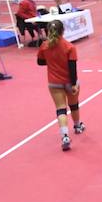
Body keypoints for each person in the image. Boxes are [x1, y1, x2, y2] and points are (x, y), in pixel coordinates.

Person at [37, 20, 84, 151]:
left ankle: (64, 136)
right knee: (74, 105)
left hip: (54, 82)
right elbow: (72, 68)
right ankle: (77, 126)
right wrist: (74, 84)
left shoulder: (45, 45)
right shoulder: (69, 47)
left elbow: (40, 62)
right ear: (63, 31)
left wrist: (52, 62)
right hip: (69, 82)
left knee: (61, 109)